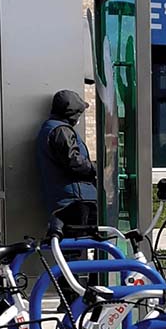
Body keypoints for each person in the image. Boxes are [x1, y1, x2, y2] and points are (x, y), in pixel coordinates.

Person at [37, 89, 98, 229]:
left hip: (65, 198)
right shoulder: (61, 130)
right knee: (79, 243)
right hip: (76, 199)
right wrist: (97, 168)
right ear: (72, 113)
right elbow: (74, 162)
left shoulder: (49, 128)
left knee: (72, 247)